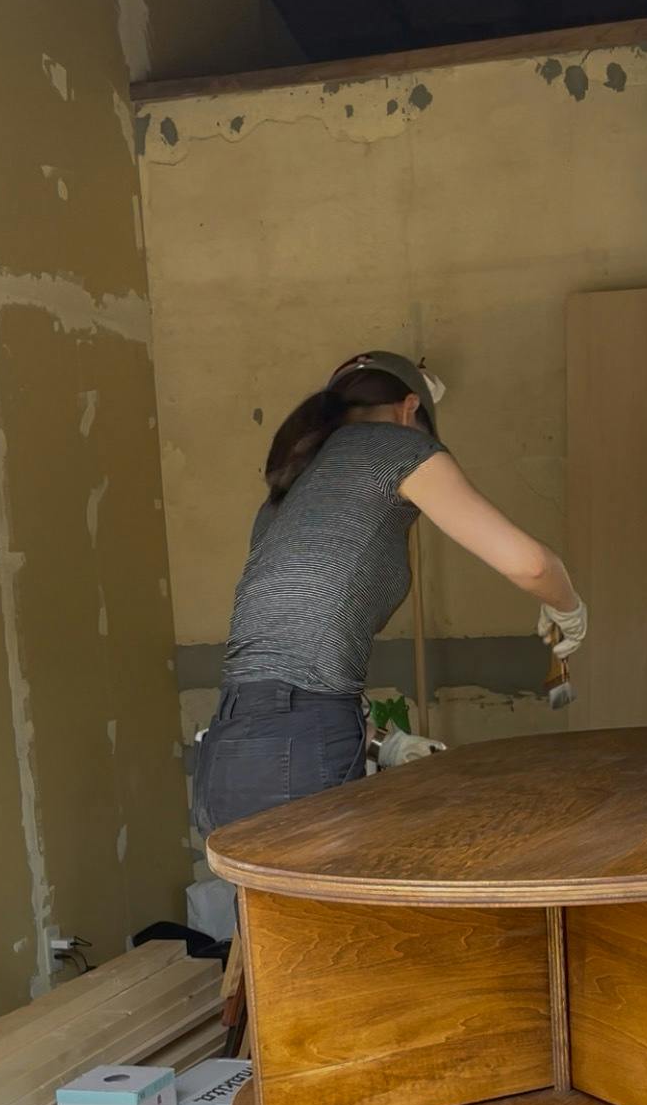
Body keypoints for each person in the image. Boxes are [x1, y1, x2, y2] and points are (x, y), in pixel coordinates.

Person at [192, 350, 587, 837]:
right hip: (298, 752)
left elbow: (285, 677)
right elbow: (532, 565)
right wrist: (567, 607)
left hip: (228, 752)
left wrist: (384, 744)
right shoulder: (397, 446)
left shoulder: (289, 493)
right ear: (408, 409)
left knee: (260, 894)